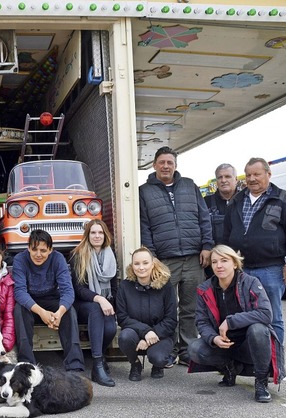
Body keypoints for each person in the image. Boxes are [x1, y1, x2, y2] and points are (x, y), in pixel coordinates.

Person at [139, 146, 214, 367]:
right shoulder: (144, 191)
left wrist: (207, 246)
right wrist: (152, 257)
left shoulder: (190, 186)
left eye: (169, 162)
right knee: (167, 309)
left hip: (193, 258)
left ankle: (188, 350)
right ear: (154, 165)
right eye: (161, 162)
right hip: (164, 260)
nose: (165, 166)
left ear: (175, 165)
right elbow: (144, 226)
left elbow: (204, 218)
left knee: (191, 308)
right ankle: (168, 350)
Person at [188, 245, 285, 403]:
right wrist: (213, 338)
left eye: (224, 260)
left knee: (258, 329)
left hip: (249, 343)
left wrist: (230, 321)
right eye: (214, 262)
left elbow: (266, 314)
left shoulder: (250, 282)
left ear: (234, 263)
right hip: (224, 344)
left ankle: (261, 382)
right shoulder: (204, 289)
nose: (219, 265)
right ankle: (230, 368)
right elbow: (201, 321)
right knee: (194, 349)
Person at [223, 157, 286, 343]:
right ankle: (248, 361)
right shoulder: (236, 200)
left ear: (268, 174)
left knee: (273, 317)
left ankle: (275, 364)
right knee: (241, 316)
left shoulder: (284, 199)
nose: (252, 179)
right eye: (249, 174)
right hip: (241, 270)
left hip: (271, 270)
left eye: (257, 174)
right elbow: (226, 234)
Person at [13, 229, 85, 372]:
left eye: (43, 250)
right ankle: (26, 364)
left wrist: (59, 313)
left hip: (52, 299)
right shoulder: (20, 259)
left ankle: (74, 365)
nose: (38, 254)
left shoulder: (58, 259)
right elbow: (19, 292)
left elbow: (68, 290)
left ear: (50, 250)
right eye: (34, 249)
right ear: (28, 248)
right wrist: (42, 313)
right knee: (19, 310)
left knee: (69, 311)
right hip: (31, 302)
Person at [116, 247, 177, 381]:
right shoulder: (125, 286)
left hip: (161, 334)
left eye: (145, 263)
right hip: (135, 332)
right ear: (132, 266)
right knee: (124, 337)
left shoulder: (166, 286)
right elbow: (122, 317)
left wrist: (149, 337)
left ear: (153, 264)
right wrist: (145, 332)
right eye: (137, 264)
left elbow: (171, 319)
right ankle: (135, 364)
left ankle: (157, 365)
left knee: (159, 358)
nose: (141, 267)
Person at [69, 220, 117, 387]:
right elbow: (78, 289)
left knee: (110, 329)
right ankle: (97, 366)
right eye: (93, 233)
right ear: (87, 235)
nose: (97, 236)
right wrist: (99, 298)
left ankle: (101, 356)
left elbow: (114, 286)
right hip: (82, 304)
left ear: (105, 235)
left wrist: (114, 307)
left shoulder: (111, 255)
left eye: (100, 233)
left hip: (105, 302)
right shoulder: (78, 254)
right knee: (96, 309)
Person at [205, 163, 238, 246]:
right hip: (217, 254)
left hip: (241, 254)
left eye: (227, 176)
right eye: (220, 177)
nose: (223, 180)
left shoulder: (245, 200)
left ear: (236, 180)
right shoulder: (206, 202)